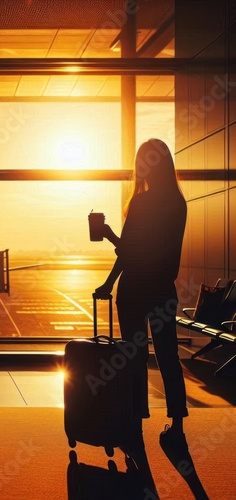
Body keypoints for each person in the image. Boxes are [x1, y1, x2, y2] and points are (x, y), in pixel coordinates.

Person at [95, 139, 209, 498]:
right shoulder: (177, 203)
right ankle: (176, 426)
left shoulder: (142, 202)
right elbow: (154, 253)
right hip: (162, 290)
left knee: (133, 360)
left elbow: (128, 252)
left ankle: (134, 426)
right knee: (169, 359)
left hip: (134, 292)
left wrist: (108, 238)